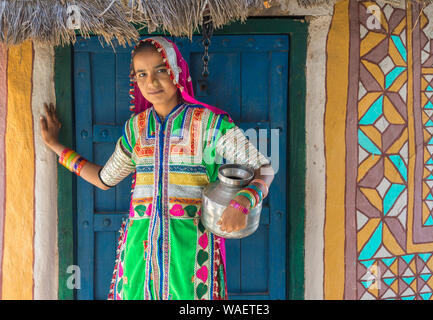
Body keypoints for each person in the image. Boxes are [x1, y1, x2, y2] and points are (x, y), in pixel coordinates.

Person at [40, 36, 275, 300]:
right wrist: (55, 146)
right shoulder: (135, 130)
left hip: (191, 257)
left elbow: (265, 168)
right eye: (142, 74)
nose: (151, 82)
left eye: (161, 70)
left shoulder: (209, 124)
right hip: (140, 256)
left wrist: (243, 201)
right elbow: (104, 179)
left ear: (177, 71)